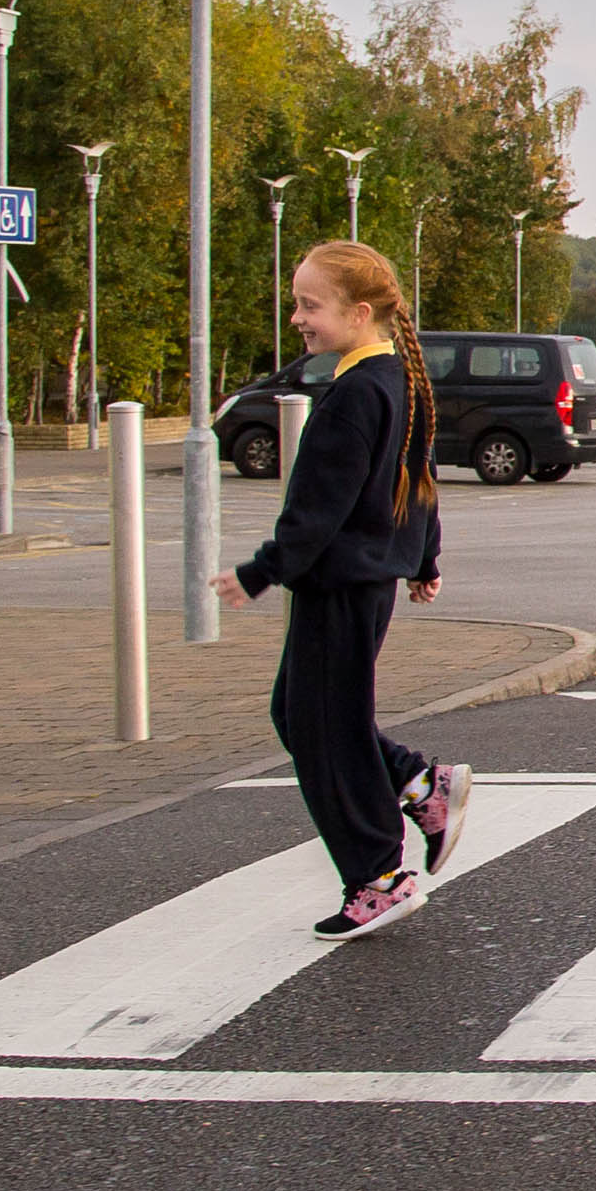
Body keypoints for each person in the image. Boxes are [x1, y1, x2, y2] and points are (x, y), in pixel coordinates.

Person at [211, 240, 472, 941]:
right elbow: (419, 483)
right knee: (304, 719)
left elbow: (318, 509)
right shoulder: (392, 381)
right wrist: (423, 559)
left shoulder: (358, 393)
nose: (297, 317)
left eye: (310, 305)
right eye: (296, 302)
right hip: (358, 581)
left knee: (326, 727)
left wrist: (257, 572)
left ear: (360, 313)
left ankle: (380, 876)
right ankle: (420, 787)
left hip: (341, 585)